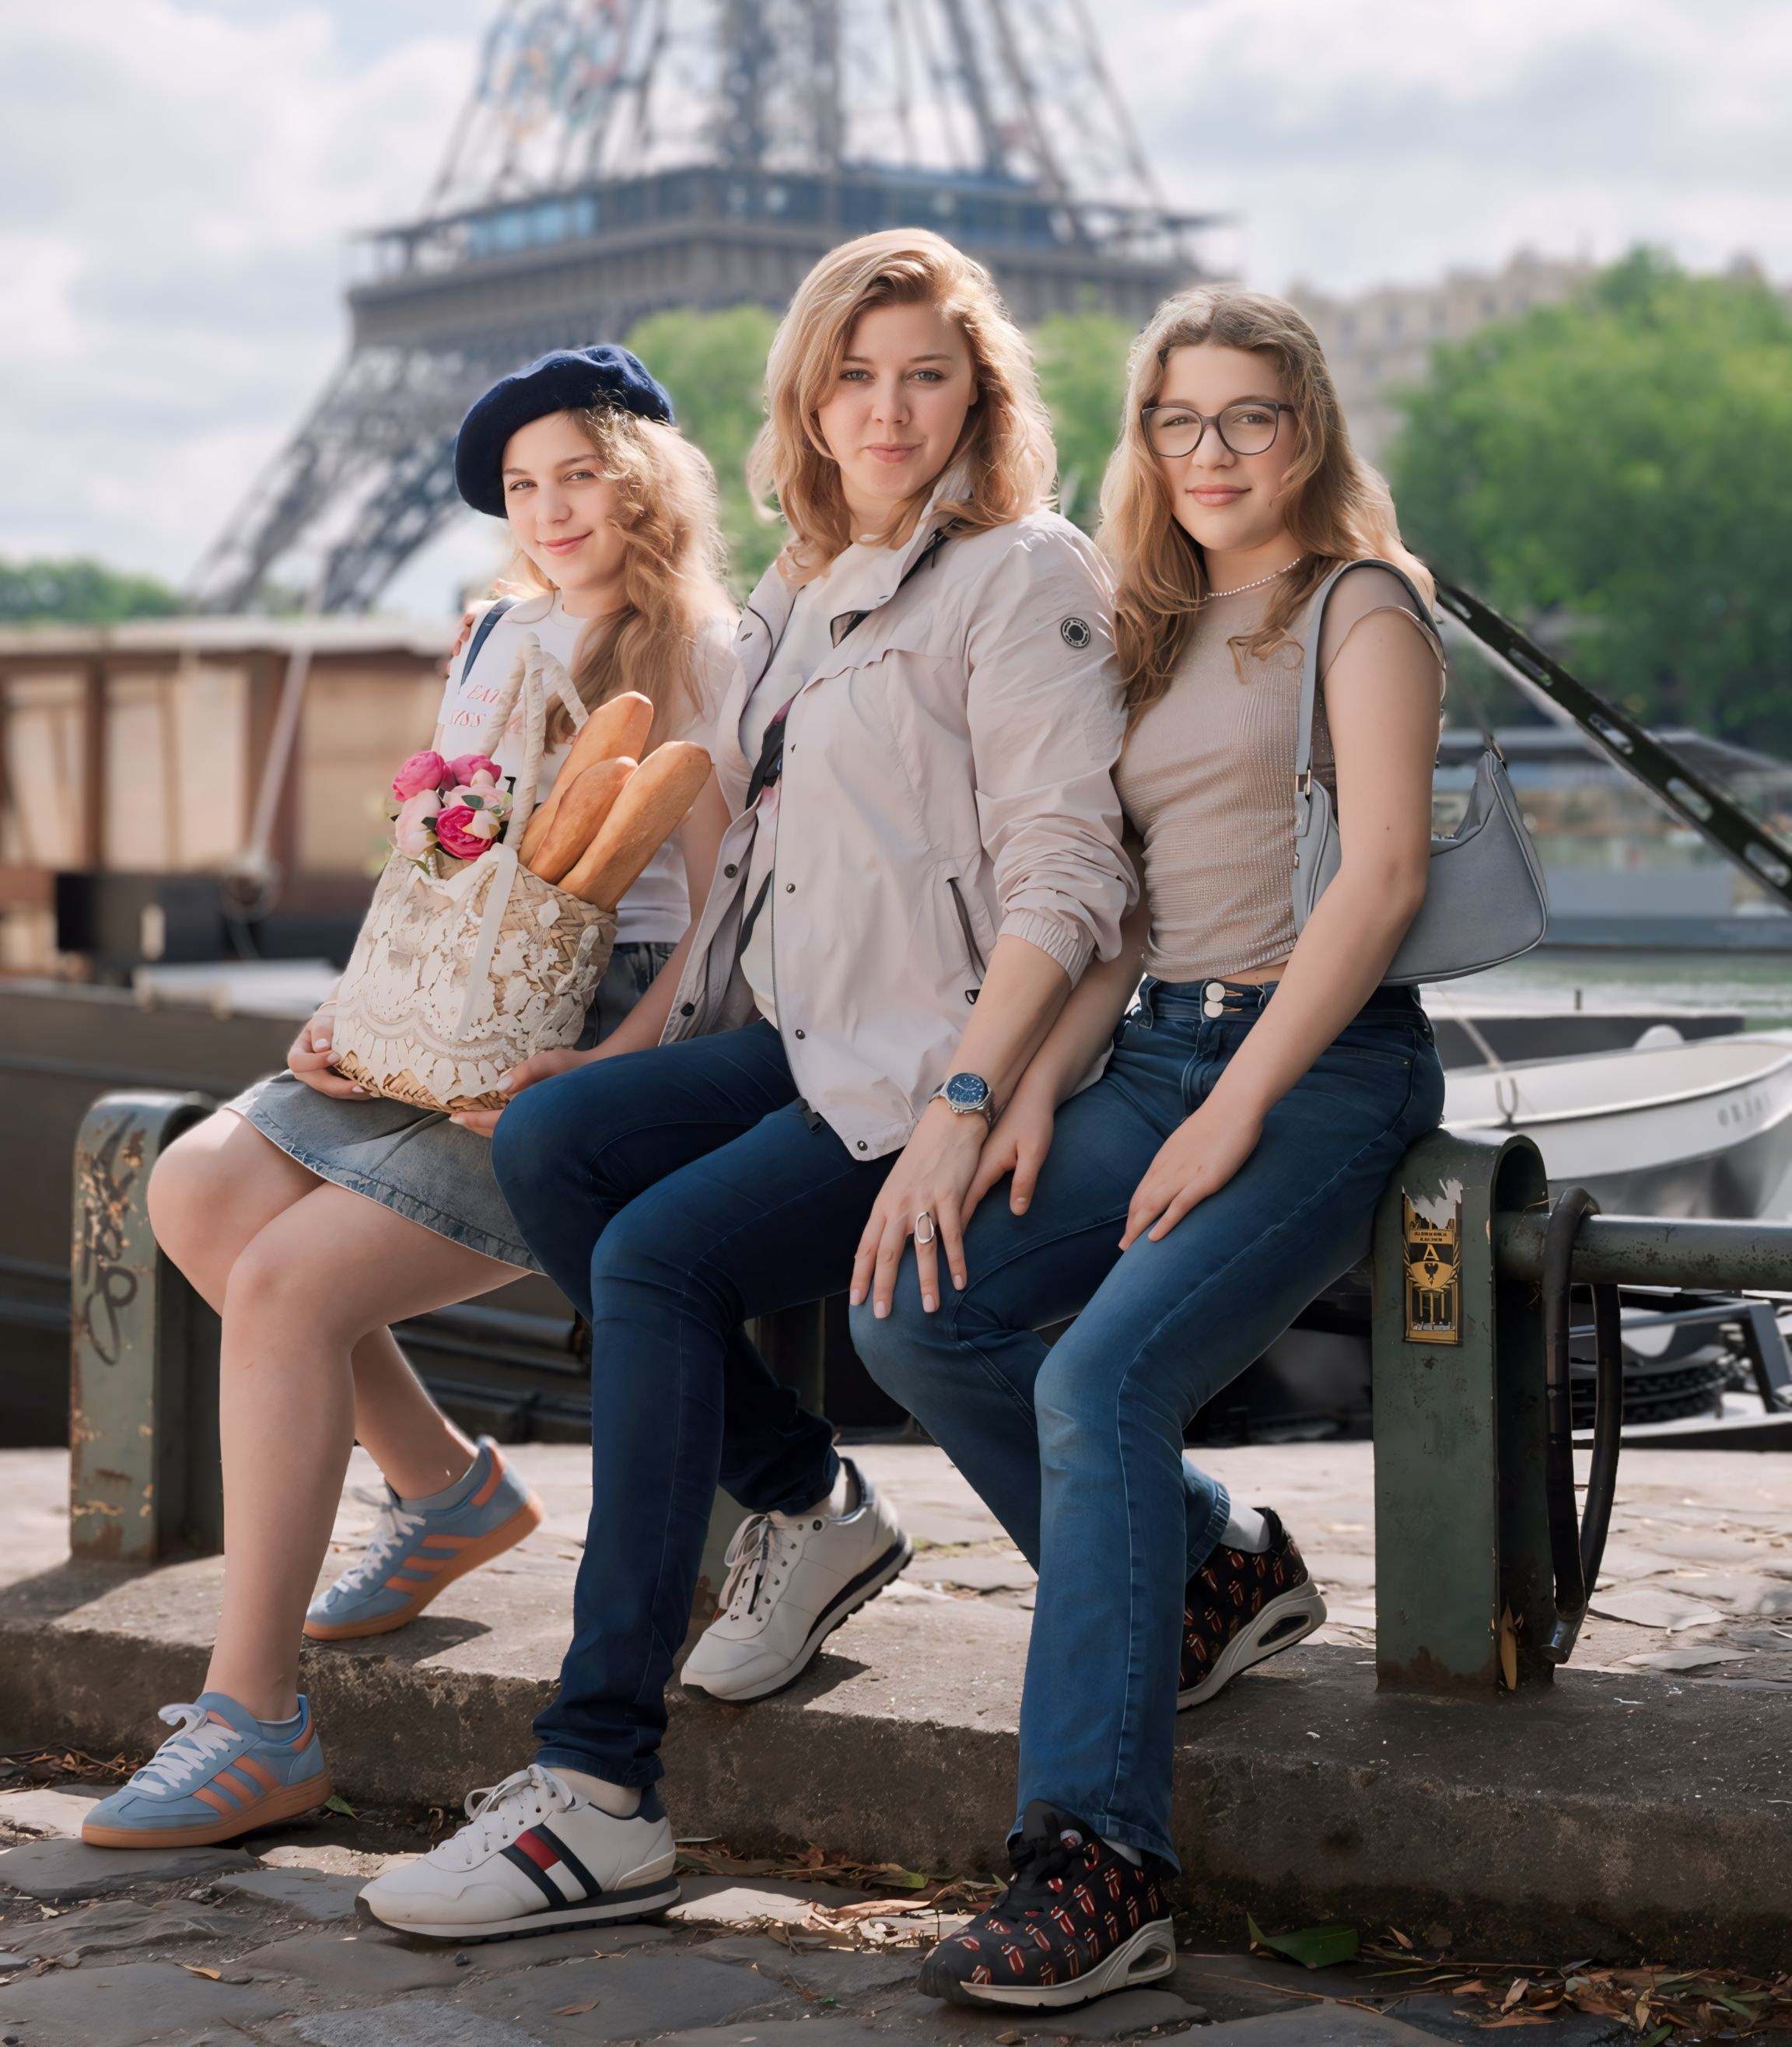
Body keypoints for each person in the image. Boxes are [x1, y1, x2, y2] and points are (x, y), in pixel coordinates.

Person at [357, 228, 1133, 1941]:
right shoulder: (797, 591)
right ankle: (806, 1496)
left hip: (932, 1072)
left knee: (655, 1259)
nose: (888, 405)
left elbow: (1074, 874)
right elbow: (755, 884)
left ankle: (598, 1785)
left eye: (927, 370)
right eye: (854, 373)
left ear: (979, 391)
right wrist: (625, 1052)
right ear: (806, 394)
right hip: (808, 1045)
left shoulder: (1024, 571)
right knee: (562, 1136)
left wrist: (965, 1103)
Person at [852, 285, 1448, 2008]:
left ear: (1308, 426)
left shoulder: (1364, 603)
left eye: (1246, 416)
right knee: (914, 1310)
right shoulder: (1160, 614)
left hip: (1321, 1067)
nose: (1209, 451)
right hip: (1153, 1041)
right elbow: (1129, 888)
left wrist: (1244, 1098)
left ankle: (1098, 1861)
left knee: (1097, 1377)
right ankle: (1215, 1558)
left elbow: (1384, 875)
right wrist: (1039, 1072)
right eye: (1177, 420)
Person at [82, 345, 735, 1852]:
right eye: (523, 485)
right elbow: (441, 868)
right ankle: (442, 1487)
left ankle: (254, 1719)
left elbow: (723, 913)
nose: (551, 506)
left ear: (643, 475)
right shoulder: (497, 630)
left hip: (583, 1050)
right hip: (432, 1014)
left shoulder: (704, 645)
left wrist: (616, 1059)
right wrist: (350, 1011)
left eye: (579, 471)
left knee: (292, 1285)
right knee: (194, 1186)